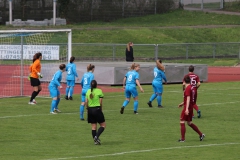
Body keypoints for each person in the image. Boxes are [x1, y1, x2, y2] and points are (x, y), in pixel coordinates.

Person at [178, 76, 205, 142]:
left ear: (184, 81)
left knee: (182, 121)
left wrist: (186, 108)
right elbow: (189, 98)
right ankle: (201, 134)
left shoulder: (188, 88)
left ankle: (182, 139)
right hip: (190, 106)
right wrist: (182, 103)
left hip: (188, 107)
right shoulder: (192, 88)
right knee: (189, 123)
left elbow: (188, 98)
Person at [85, 80, 105, 145]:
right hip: (97, 109)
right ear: (96, 85)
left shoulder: (88, 91)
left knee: (93, 127)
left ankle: (95, 141)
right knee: (103, 125)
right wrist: (101, 109)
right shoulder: (99, 91)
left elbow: (86, 102)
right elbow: (101, 101)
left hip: (90, 110)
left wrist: (87, 109)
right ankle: (96, 137)